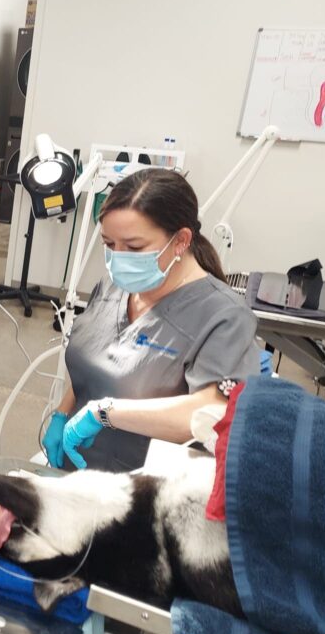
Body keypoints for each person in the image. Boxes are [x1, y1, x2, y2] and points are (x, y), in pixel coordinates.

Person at [44, 168, 259, 473]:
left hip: (146, 488)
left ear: (181, 240)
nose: (118, 258)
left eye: (133, 247)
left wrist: (104, 413)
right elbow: (93, 366)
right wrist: (62, 414)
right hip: (77, 468)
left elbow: (210, 413)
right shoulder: (113, 287)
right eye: (109, 244)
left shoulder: (224, 317)